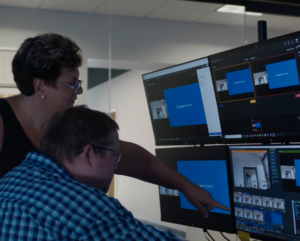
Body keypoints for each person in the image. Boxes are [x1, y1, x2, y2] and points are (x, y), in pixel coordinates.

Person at [0, 33, 229, 218]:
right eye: (72, 84)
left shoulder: (65, 123)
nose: (79, 90)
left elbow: (127, 156)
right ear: (41, 87)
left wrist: (185, 186)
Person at [0, 106, 181, 240]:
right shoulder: (87, 206)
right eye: (114, 156)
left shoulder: (8, 183)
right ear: (88, 154)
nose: (115, 167)